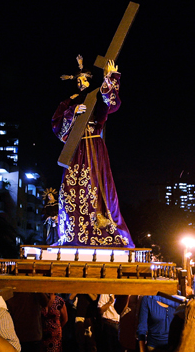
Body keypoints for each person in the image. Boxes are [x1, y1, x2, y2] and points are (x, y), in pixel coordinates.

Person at [52, 55, 134, 248]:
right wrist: (72, 112)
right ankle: (73, 230)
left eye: (84, 79)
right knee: (73, 189)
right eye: (78, 81)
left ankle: (101, 226)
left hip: (94, 148)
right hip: (76, 149)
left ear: (90, 80)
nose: (81, 83)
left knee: (98, 186)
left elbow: (112, 104)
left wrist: (110, 78)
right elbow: (57, 128)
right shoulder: (68, 102)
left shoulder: (97, 97)